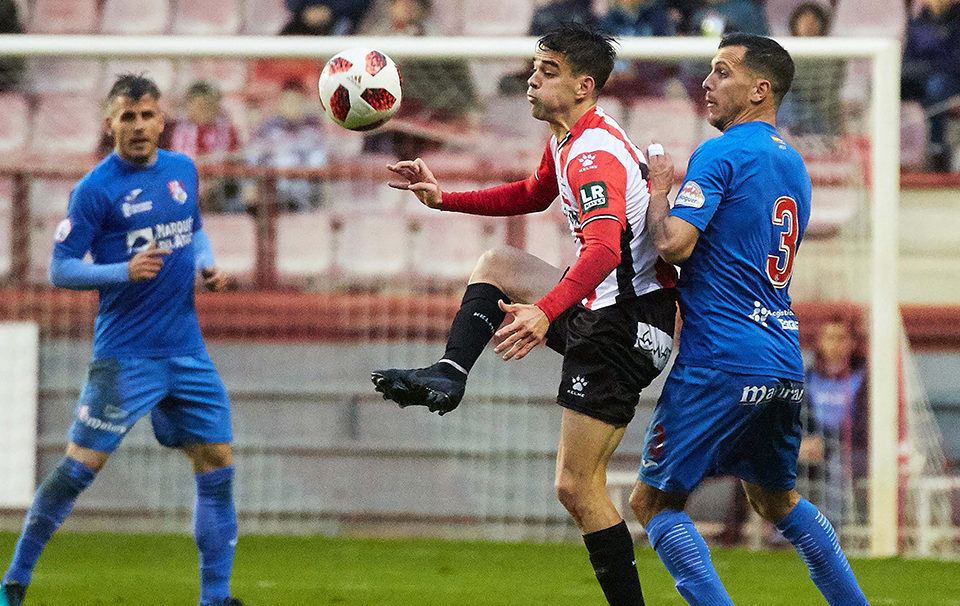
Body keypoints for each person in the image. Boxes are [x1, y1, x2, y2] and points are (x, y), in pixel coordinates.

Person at [372, 24, 677, 606]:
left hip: (627, 329)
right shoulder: (568, 139)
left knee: (575, 485)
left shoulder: (593, 154)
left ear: (585, 85)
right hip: (603, 308)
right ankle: (450, 374)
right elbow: (534, 194)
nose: (532, 78)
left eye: (549, 70)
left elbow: (604, 252)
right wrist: (444, 199)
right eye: (535, 66)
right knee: (498, 262)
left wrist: (544, 311)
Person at [630, 33, 870, 605]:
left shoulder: (722, 152)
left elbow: (673, 245)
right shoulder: (795, 167)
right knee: (776, 500)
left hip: (722, 357)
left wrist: (660, 192)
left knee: (651, 503)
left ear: (761, 89)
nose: (707, 83)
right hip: (784, 358)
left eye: (721, 72)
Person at [0, 74, 243, 606]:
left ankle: (215, 598)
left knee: (217, 462)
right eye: (126, 117)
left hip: (186, 350)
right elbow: (60, 269)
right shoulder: (95, 189)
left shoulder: (182, 169)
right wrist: (121, 271)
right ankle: (13, 582)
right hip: (125, 355)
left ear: (162, 120)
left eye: (147, 115)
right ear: (109, 121)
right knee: (79, 469)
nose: (137, 126)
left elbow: (193, 226)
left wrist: (206, 267)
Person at [798, 315, 869, 526]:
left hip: (855, 450)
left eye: (841, 338)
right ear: (820, 341)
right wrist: (804, 441)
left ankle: (832, 531)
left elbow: (864, 427)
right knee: (784, 459)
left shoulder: (864, 377)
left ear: (852, 343)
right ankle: (783, 532)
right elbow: (801, 418)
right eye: (829, 337)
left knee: (838, 463)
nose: (834, 344)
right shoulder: (809, 377)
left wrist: (825, 441)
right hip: (815, 446)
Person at [243, 79, 328, 212]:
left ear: (305, 103)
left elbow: (318, 163)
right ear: (280, 103)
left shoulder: (313, 129)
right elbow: (252, 158)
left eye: (297, 102)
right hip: (270, 195)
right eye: (287, 101)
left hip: (301, 196)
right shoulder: (267, 129)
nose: (292, 106)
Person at [901, 0, 960, 172]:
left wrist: (929, 70)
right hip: (921, 77)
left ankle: (937, 146)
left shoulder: (956, 21)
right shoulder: (918, 22)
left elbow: (956, 62)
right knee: (886, 86)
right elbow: (908, 59)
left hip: (951, 79)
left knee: (937, 87)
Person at [166, 81, 243, 212]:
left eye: (210, 105)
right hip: (189, 180)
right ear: (189, 106)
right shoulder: (177, 129)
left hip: (222, 182)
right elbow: (183, 160)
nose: (206, 110)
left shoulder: (227, 129)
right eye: (200, 105)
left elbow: (236, 156)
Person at [776, 2, 846, 136]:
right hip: (789, 113)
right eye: (805, 21)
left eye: (814, 21)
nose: (809, 25)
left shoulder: (831, 57)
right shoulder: (783, 56)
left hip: (817, 116)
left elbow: (828, 95)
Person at [279, 0, 372, 35]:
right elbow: (292, 4)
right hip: (304, 20)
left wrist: (331, 11)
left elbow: (361, 4)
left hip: (342, 20)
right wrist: (305, 11)